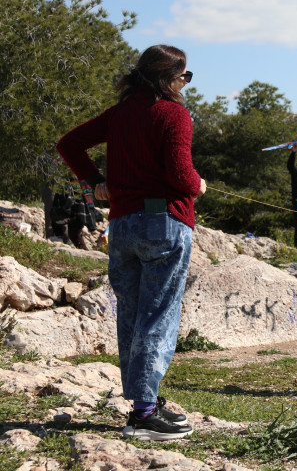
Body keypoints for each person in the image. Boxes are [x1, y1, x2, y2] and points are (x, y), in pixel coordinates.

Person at [56, 45, 205, 441]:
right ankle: (144, 414)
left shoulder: (120, 114)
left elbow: (68, 144)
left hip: (121, 225)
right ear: (168, 78)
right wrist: (198, 184)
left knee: (132, 315)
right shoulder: (174, 114)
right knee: (158, 315)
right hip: (164, 222)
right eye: (185, 76)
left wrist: (94, 183)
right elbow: (180, 175)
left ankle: (145, 402)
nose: (186, 83)